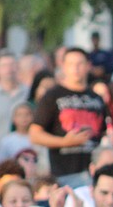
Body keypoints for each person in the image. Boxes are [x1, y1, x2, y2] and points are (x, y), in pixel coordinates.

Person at [30, 47, 108, 189]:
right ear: (63, 67)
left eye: (80, 63)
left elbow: (105, 132)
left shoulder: (96, 98)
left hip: (93, 174)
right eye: (71, 64)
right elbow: (35, 134)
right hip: (63, 174)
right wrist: (65, 142)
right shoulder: (52, 96)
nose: (75, 68)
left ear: (88, 66)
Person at [0, 101, 37, 167]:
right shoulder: (7, 140)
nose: (23, 118)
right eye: (19, 115)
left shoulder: (39, 138)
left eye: (27, 114)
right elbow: (0, 163)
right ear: (13, 118)